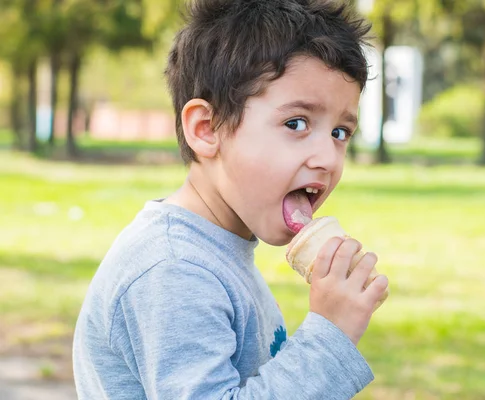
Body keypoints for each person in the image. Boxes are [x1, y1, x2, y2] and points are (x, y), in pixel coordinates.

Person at [72, 0, 389, 398]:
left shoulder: (215, 250)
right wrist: (330, 336)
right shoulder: (173, 269)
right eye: (296, 123)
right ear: (207, 129)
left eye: (340, 132)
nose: (327, 158)